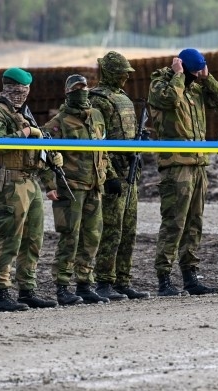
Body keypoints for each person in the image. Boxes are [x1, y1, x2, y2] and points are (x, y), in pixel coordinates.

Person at [148, 48, 218, 296]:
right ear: (181, 67)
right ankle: (164, 278)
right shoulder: (161, 85)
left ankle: (190, 276)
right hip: (176, 166)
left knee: (194, 223)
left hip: (198, 164)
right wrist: (177, 76)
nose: (195, 76)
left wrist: (207, 78)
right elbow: (169, 101)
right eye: (192, 72)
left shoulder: (194, 88)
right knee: (174, 222)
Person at [0, 67, 59, 312]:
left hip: (30, 181)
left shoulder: (23, 113)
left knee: (33, 238)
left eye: (24, 91)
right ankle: (2, 293)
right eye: (17, 90)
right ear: (7, 88)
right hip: (9, 182)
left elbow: (36, 151)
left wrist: (50, 175)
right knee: (9, 237)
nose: (21, 95)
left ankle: (27, 290)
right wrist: (25, 132)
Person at [44, 74, 111, 306]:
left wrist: (106, 174)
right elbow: (42, 153)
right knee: (69, 237)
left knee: (92, 237)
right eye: (76, 88)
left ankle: (84, 283)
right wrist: (49, 184)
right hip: (71, 187)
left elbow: (104, 148)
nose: (81, 92)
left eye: (84, 87)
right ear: (67, 93)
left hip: (94, 185)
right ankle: (62, 286)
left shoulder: (97, 116)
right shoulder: (58, 122)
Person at [90, 51, 150, 300]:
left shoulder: (123, 97)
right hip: (112, 173)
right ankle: (104, 281)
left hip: (130, 172)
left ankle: (122, 280)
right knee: (111, 229)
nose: (126, 77)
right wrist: (110, 174)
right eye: (121, 72)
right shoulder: (98, 100)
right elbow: (98, 142)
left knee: (128, 230)